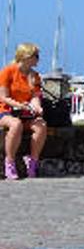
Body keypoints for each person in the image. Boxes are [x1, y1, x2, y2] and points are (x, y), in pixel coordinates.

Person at [0, 43, 47, 180]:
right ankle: (9, 162)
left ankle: (33, 162)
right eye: (35, 56)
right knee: (16, 125)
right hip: (5, 110)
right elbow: (3, 97)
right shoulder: (7, 72)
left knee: (41, 126)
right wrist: (19, 105)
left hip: (24, 112)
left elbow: (35, 96)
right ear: (26, 57)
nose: (38, 59)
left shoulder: (34, 76)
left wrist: (37, 107)